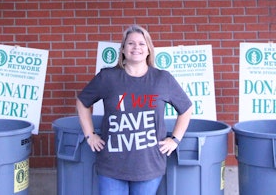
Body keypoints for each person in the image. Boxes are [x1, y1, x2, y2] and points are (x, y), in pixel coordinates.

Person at [76, 25, 193, 195]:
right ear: (123, 49)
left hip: (149, 165)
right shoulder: (107, 77)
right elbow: (82, 102)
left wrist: (175, 139)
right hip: (112, 165)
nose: (136, 47)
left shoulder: (162, 78)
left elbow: (186, 108)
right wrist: (90, 135)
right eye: (130, 43)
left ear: (148, 50)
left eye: (141, 43)